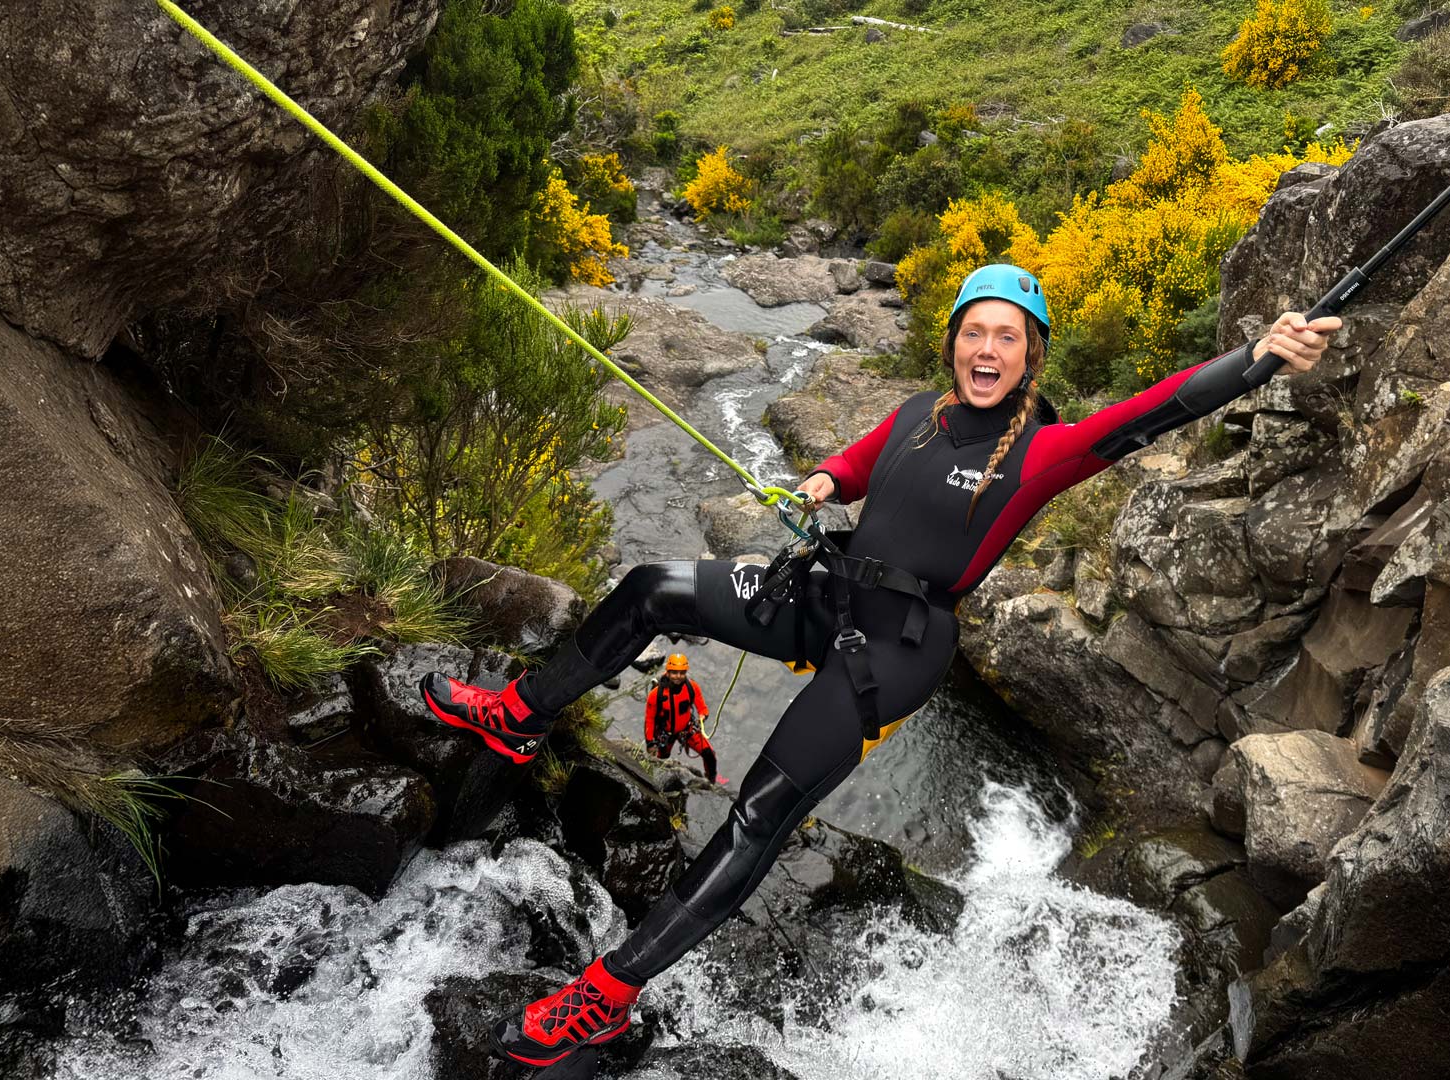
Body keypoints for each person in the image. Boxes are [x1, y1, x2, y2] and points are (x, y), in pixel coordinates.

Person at [420, 263, 1340, 1068]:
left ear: (1031, 357)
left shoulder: (1042, 453)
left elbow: (1155, 410)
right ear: (954, 344)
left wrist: (1258, 357)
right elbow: (863, 463)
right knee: (655, 583)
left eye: (1006, 339)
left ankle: (605, 996)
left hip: (897, 650)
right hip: (827, 591)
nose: (987, 350)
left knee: (758, 817)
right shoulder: (919, 414)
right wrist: (819, 482)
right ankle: (520, 715)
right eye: (974, 332)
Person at [644, 653, 723, 784]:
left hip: (687, 729)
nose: (678, 676)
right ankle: (657, 779)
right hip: (666, 734)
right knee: (662, 758)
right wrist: (650, 743)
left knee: (709, 755)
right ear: (668, 672)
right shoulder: (656, 695)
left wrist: (703, 716)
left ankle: (711, 780)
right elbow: (650, 720)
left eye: (682, 673)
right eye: (674, 672)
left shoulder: (692, 687)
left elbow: (702, 708)